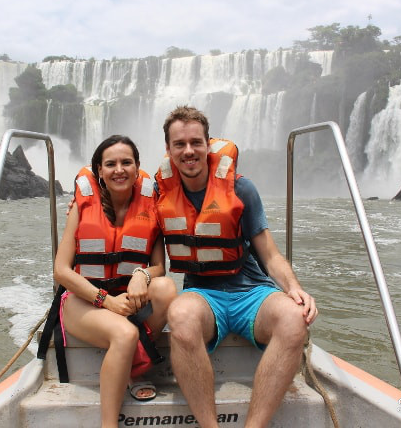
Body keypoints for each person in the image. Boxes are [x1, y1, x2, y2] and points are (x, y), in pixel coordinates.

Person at [154, 106, 318, 428]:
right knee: (180, 316)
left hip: (252, 292)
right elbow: (119, 203)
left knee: (293, 318)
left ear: (207, 143)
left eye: (195, 142)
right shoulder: (160, 193)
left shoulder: (241, 189)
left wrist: (294, 288)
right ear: (169, 150)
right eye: (179, 144)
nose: (189, 151)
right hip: (203, 294)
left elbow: (270, 255)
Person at [54, 135, 177, 428]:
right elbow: (61, 270)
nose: (118, 170)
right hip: (83, 301)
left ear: (137, 169)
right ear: (99, 170)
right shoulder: (82, 205)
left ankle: (132, 367)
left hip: (127, 298)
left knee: (166, 289)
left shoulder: (152, 204)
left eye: (126, 163)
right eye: (110, 164)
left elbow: (159, 267)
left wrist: (141, 274)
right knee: (124, 334)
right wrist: (105, 300)